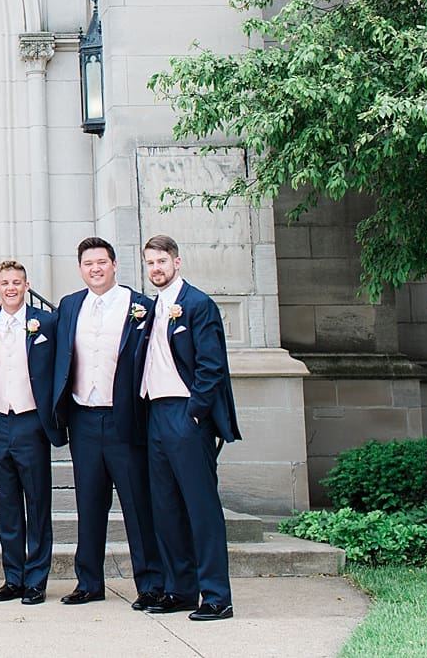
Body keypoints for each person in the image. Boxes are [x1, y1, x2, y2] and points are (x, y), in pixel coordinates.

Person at [54, 237, 165, 609]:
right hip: (83, 419)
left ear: (115, 265)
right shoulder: (70, 306)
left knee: (137, 505)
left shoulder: (141, 307)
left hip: (125, 420)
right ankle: (89, 582)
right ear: (81, 268)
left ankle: (150, 583)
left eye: (101, 262)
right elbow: (38, 332)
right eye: (88, 263)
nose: (95, 269)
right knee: (88, 504)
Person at [137, 234, 241, 621]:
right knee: (165, 509)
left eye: (162, 261)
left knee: (201, 508)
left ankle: (216, 596)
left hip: (186, 416)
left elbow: (211, 366)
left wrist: (196, 413)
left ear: (176, 263)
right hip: (155, 416)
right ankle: (180, 590)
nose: (156, 269)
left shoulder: (198, 304)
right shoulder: (149, 308)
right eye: (150, 263)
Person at [0, 260, 62, 605]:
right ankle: (13, 577)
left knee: (37, 502)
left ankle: (37, 579)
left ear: (27, 286)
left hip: (31, 422)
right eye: (5, 283)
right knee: (7, 504)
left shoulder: (47, 323)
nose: (11, 288)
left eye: (17, 282)